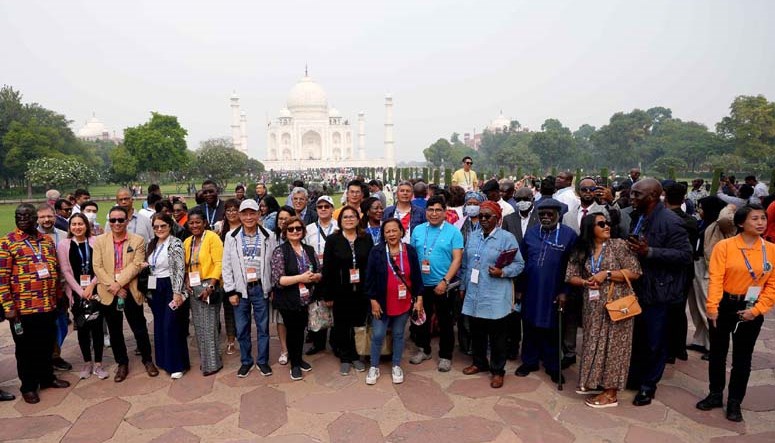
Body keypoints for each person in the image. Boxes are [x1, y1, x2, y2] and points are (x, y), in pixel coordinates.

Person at [698, 204, 775, 422]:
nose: (761, 223)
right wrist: (712, 308)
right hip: (725, 305)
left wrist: (758, 310)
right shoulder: (725, 246)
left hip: (752, 307)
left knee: (742, 357)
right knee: (718, 353)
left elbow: (772, 285)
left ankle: (734, 401)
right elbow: (716, 278)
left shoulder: (770, 250)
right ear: (741, 223)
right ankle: (715, 394)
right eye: (755, 219)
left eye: (763, 218)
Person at [626, 178, 692, 406]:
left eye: (637, 195)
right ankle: (635, 377)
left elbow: (685, 256)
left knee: (655, 342)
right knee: (638, 338)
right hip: (639, 287)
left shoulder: (670, 222)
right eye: (632, 194)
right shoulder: (639, 216)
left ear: (653, 196)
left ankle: (648, 386)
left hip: (660, 291)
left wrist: (650, 252)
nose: (632, 198)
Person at [566, 213, 642, 408]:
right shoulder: (582, 249)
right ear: (590, 228)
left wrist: (605, 274)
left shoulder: (618, 245)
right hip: (593, 307)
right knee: (594, 344)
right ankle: (595, 383)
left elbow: (635, 272)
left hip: (618, 306)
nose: (607, 226)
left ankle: (610, 394)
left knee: (615, 348)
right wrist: (585, 281)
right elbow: (571, 276)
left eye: (607, 223)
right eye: (601, 224)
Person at [1, 203, 69, 404]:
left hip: (47, 305)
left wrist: (59, 297)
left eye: (27, 215)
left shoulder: (46, 241)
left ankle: (47, 378)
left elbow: (54, 271)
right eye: (18, 216)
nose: (22, 219)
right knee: (25, 349)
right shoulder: (7, 242)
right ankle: (28, 386)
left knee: (47, 344)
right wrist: (8, 308)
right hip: (23, 309)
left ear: (35, 219)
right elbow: (2, 279)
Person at [459, 201, 525, 388]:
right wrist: (463, 287)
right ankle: (479, 362)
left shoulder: (507, 238)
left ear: (497, 218)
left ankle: (497, 370)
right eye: (481, 216)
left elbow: (519, 264)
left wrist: (502, 272)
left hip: (496, 294)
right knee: (477, 332)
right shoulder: (473, 236)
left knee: (497, 336)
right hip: (474, 292)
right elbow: (465, 263)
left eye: (488, 216)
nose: (484, 220)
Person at [92, 206, 158, 382]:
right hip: (109, 292)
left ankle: (147, 359)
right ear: (109, 221)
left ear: (127, 221)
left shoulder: (137, 240)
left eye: (120, 220)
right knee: (115, 331)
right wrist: (112, 287)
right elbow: (97, 267)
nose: (117, 223)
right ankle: (122, 363)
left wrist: (119, 284)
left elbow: (136, 265)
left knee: (139, 328)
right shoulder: (99, 241)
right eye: (113, 220)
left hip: (130, 290)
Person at [517, 198, 577, 383]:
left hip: (554, 290)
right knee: (529, 326)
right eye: (542, 214)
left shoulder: (569, 235)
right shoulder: (532, 233)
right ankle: (529, 361)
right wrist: (519, 289)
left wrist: (565, 292)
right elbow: (521, 260)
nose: (545, 217)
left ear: (558, 215)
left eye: (549, 214)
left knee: (553, 329)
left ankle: (553, 366)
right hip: (532, 289)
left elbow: (573, 267)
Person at [364, 218, 424, 385]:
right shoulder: (377, 252)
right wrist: (373, 300)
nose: (391, 234)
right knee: (378, 335)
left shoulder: (410, 251)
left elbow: (417, 277)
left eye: (394, 230)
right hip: (381, 303)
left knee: (398, 334)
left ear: (401, 231)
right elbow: (368, 279)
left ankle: (396, 365)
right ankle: (374, 366)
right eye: (387, 231)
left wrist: (419, 299)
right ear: (383, 234)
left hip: (403, 302)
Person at [409, 195, 464, 372]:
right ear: (426, 211)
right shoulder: (417, 230)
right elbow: (412, 256)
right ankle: (424, 350)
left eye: (438, 210)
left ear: (445, 212)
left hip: (443, 285)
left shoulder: (453, 232)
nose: (434, 213)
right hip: (420, 285)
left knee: (445, 322)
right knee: (421, 320)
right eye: (430, 210)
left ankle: (445, 356)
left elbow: (457, 259)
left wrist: (445, 281)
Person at [223, 199, 277, 378]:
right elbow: (226, 265)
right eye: (244, 213)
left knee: (263, 327)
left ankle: (262, 361)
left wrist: (272, 287)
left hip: (261, 288)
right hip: (240, 289)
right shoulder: (231, 237)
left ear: (259, 214)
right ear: (239, 215)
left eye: (252, 213)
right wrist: (230, 291)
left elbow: (274, 263)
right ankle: (246, 361)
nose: (248, 217)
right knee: (242, 328)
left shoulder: (269, 235)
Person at [57, 213, 109, 380]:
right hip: (77, 293)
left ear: (86, 225)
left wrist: (92, 285)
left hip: (96, 291)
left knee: (97, 328)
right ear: (69, 227)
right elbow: (65, 271)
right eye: (74, 224)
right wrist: (80, 291)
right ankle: (87, 362)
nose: (77, 227)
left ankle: (99, 364)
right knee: (83, 329)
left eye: (80, 223)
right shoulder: (64, 245)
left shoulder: (96, 241)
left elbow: (101, 267)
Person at [322, 205, 373, 375]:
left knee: (358, 323)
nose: (349, 219)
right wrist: (327, 294)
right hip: (340, 290)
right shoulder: (333, 240)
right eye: (345, 217)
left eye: (352, 217)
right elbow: (327, 268)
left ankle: (356, 355)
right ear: (340, 221)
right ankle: (344, 357)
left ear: (358, 220)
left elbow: (370, 265)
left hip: (361, 290)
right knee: (342, 324)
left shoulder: (366, 238)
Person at [270, 216, 322, 381]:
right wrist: (301, 278)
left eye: (298, 228)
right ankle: (295, 365)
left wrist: (315, 276)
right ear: (285, 232)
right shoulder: (280, 251)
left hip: (306, 298)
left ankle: (298, 358)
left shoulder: (308, 249)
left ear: (303, 231)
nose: (294, 231)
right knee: (293, 331)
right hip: (288, 299)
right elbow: (279, 280)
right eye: (290, 229)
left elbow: (320, 271)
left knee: (300, 330)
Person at [688, 197, 735, 359]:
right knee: (695, 306)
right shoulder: (702, 222)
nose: (699, 211)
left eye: (702, 208)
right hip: (697, 265)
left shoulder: (721, 225)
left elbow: (726, 217)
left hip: (709, 269)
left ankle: (715, 346)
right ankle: (701, 340)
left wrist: (729, 205)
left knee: (707, 306)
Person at [144, 213, 189, 379]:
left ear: (170, 226)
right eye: (156, 226)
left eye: (163, 226)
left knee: (171, 325)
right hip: (156, 287)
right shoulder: (152, 243)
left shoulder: (175, 243)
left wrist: (177, 292)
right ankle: (163, 360)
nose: (159, 229)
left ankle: (177, 364)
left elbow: (179, 269)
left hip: (170, 286)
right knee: (159, 324)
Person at [183, 209, 224, 376]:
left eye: (198, 222)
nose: (194, 225)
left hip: (209, 285)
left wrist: (211, 286)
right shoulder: (187, 241)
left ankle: (212, 364)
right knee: (199, 326)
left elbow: (219, 263)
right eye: (191, 223)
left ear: (205, 223)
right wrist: (186, 281)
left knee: (210, 325)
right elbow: (185, 266)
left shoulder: (212, 237)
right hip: (194, 286)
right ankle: (207, 360)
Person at [663, 182, 699, 364]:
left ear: (665, 197)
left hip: (669, 270)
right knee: (679, 310)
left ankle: (669, 350)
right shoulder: (691, 221)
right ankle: (679, 348)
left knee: (668, 310)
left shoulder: (666, 220)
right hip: (686, 271)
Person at [36, 204, 72, 372]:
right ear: (37, 219)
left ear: (55, 217)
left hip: (61, 288)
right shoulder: (32, 237)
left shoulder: (64, 236)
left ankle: (55, 355)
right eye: (42, 217)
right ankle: (45, 358)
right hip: (39, 291)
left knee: (62, 324)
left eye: (49, 216)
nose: (46, 220)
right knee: (44, 327)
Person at [304, 195, 338, 355]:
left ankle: (336, 341)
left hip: (334, 272)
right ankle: (318, 342)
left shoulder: (339, 227)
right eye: (320, 207)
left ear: (332, 209)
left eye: (326, 206)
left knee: (335, 307)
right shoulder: (309, 229)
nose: (323, 209)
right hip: (316, 272)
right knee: (316, 307)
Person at [272, 206, 296, 364]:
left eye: (286, 218)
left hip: (296, 283)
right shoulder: (271, 237)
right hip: (278, 285)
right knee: (280, 319)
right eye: (280, 218)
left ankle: (295, 349)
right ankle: (284, 349)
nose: (283, 221)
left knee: (295, 319)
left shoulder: (297, 234)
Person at [218, 198, 243, 354]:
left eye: (235, 210)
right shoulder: (220, 229)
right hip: (226, 275)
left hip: (243, 274)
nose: (232, 213)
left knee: (243, 308)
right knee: (228, 308)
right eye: (229, 210)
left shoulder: (246, 226)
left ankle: (243, 336)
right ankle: (231, 340)